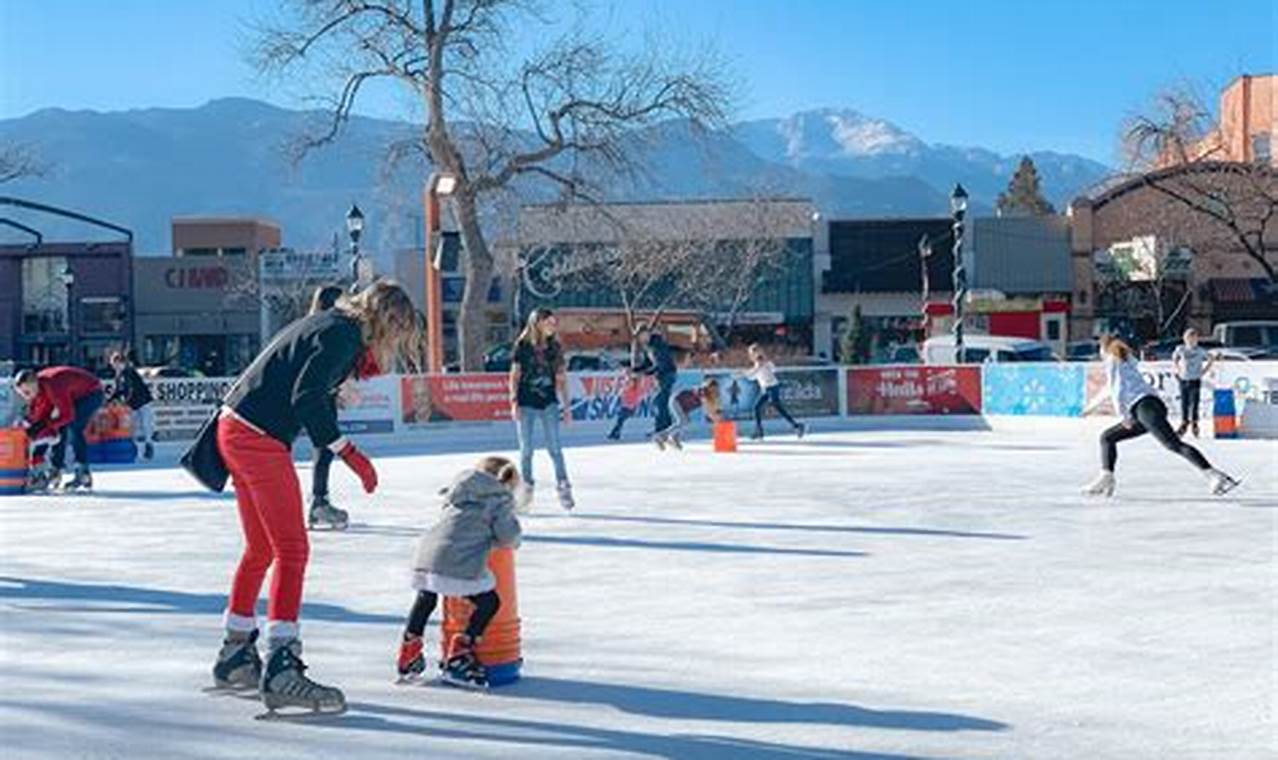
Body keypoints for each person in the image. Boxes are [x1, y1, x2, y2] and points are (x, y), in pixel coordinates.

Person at [209, 280, 420, 716]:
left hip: (234, 426)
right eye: (397, 334)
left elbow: (305, 382)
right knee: (291, 549)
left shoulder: (330, 324)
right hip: (256, 436)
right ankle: (283, 666)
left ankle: (234, 653)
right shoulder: (343, 334)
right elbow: (306, 398)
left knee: (261, 549)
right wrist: (351, 453)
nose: (394, 345)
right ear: (388, 320)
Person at [396, 456, 525, 689]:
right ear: (506, 483)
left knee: (426, 597)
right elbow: (508, 537)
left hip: (426, 554)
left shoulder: (456, 491)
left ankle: (409, 649)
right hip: (457, 562)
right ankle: (460, 651)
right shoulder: (498, 498)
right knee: (489, 602)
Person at [1082, 335, 1238, 498]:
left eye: (1099, 349)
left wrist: (1124, 416)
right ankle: (1107, 477)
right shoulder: (1124, 360)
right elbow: (1110, 388)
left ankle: (1215, 476)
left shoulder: (1112, 359)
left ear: (1103, 348)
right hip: (1147, 407)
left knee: (1174, 445)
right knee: (1107, 437)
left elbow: (1117, 388)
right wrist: (1090, 407)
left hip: (1145, 407)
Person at [509, 308, 573, 510]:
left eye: (554, 323)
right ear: (537, 323)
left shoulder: (555, 347)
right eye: (549, 323)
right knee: (526, 450)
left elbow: (562, 378)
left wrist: (567, 406)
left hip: (549, 403)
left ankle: (563, 486)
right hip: (526, 403)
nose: (553, 327)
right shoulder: (522, 346)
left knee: (555, 448)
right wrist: (513, 401)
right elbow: (515, 376)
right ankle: (526, 489)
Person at [13, 366, 105, 492]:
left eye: (27, 392)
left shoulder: (52, 385)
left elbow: (67, 415)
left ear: (34, 384)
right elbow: (41, 418)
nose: (26, 397)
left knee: (74, 426)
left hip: (91, 392)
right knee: (53, 428)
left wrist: (44, 425)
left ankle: (82, 471)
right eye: (22, 394)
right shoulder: (39, 390)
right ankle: (55, 469)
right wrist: (35, 428)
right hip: (73, 393)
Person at [305, 285, 349, 531]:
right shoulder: (328, 328)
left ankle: (318, 498)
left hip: (320, 395)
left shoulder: (310, 324)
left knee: (323, 448)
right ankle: (318, 500)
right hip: (316, 396)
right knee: (325, 446)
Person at [742, 344, 805, 440]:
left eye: (754, 353)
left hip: (773, 387)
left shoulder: (766, 363)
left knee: (775, 404)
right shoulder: (756, 365)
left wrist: (763, 365)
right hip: (765, 389)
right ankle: (759, 430)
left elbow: (773, 369)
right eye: (751, 353)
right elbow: (752, 377)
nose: (752, 355)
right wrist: (747, 373)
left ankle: (796, 426)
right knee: (756, 407)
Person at [108, 350, 156, 461]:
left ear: (120, 362)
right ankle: (135, 448)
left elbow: (130, 389)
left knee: (145, 425)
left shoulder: (128, 372)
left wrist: (125, 401)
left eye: (114, 364)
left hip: (142, 401)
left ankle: (148, 446)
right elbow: (118, 390)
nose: (114, 367)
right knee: (133, 427)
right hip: (134, 403)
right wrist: (110, 399)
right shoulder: (119, 375)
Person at [633, 324, 678, 438]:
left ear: (647, 333)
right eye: (638, 336)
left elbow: (660, 365)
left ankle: (660, 430)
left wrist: (643, 373)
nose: (640, 338)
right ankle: (667, 430)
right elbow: (647, 363)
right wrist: (634, 369)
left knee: (660, 402)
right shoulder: (647, 346)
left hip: (667, 375)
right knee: (661, 402)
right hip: (660, 376)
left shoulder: (658, 345)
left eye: (641, 335)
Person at [1172, 328, 1215, 438]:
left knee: (1194, 402)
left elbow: (1210, 358)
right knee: (1184, 402)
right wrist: (1177, 369)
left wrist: (1204, 371)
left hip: (1195, 379)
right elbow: (1175, 359)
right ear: (1185, 339)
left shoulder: (1199, 350)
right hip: (1184, 378)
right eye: (1189, 339)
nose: (1191, 341)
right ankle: (1184, 422)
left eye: (1193, 339)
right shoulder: (1181, 349)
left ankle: (1195, 423)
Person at [660, 378, 723, 450]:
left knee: (686, 421)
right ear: (709, 387)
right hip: (677, 401)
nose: (715, 391)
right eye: (713, 389)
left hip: (683, 405)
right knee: (683, 421)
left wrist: (716, 417)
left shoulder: (710, 395)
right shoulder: (703, 392)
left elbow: (711, 407)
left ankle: (674, 437)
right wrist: (716, 420)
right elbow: (707, 409)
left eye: (716, 389)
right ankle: (662, 436)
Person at [606, 370, 648, 441]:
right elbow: (625, 381)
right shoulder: (627, 387)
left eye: (632, 382)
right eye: (630, 382)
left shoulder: (637, 390)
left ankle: (614, 433)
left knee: (620, 420)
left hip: (630, 408)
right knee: (620, 420)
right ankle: (616, 434)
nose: (630, 383)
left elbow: (640, 394)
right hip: (625, 407)